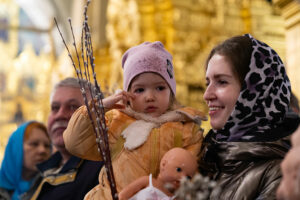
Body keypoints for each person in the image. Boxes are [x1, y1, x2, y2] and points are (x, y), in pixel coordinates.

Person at [63, 41, 206, 200]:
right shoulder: (116, 123)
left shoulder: (186, 130)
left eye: (160, 88)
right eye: (139, 90)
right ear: (127, 95)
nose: (150, 97)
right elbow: (75, 143)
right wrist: (99, 108)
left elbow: (192, 179)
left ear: (171, 92)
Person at [199, 34, 300, 199]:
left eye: (222, 82)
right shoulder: (206, 157)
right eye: (207, 83)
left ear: (255, 92)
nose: (207, 95)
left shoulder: (282, 175)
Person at [28, 78, 104, 200]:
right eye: (55, 107)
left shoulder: (104, 170)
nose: (60, 115)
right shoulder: (42, 171)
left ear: (98, 116)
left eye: (73, 107)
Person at [118, 147, 198, 200]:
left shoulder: (175, 198)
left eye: (188, 178)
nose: (183, 178)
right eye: (178, 170)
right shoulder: (148, 182)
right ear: (164, 164)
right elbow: (122, 195)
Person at [0, 121, 51, 200]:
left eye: (47, 146)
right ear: (15, 149)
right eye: (34, 144)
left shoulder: (52, 187)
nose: (42, 150)